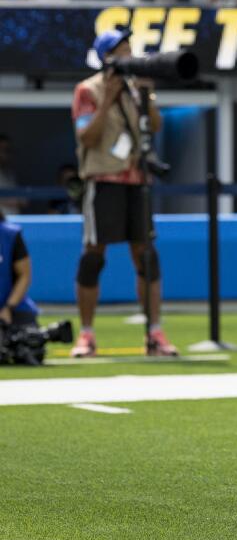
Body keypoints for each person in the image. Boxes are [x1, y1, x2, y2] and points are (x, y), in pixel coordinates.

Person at [69, 28, 178, 359]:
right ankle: (86, 335)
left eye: (130, 49)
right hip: (102, 180)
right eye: (121, 50)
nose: (129, 55)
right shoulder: (87, 90)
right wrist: (108, 99)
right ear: (106, 57)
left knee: (147, 256)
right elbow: (87, 137)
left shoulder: (137, 88)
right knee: (93, 256)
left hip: (137, 180)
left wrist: (146, 96)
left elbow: (155, 126)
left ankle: (154, 333)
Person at [0, 211, 38, 332]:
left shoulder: (9, 234)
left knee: (29, 342)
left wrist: (8, 308)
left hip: (14, 310)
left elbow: (24, 275)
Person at [0, 135, 23, 216]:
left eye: (8, 150)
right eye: (2, 150)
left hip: (14, 219)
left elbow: (22, 199)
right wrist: (16, 201)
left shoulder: (10, 173)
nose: (5, 153)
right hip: (2, 222)